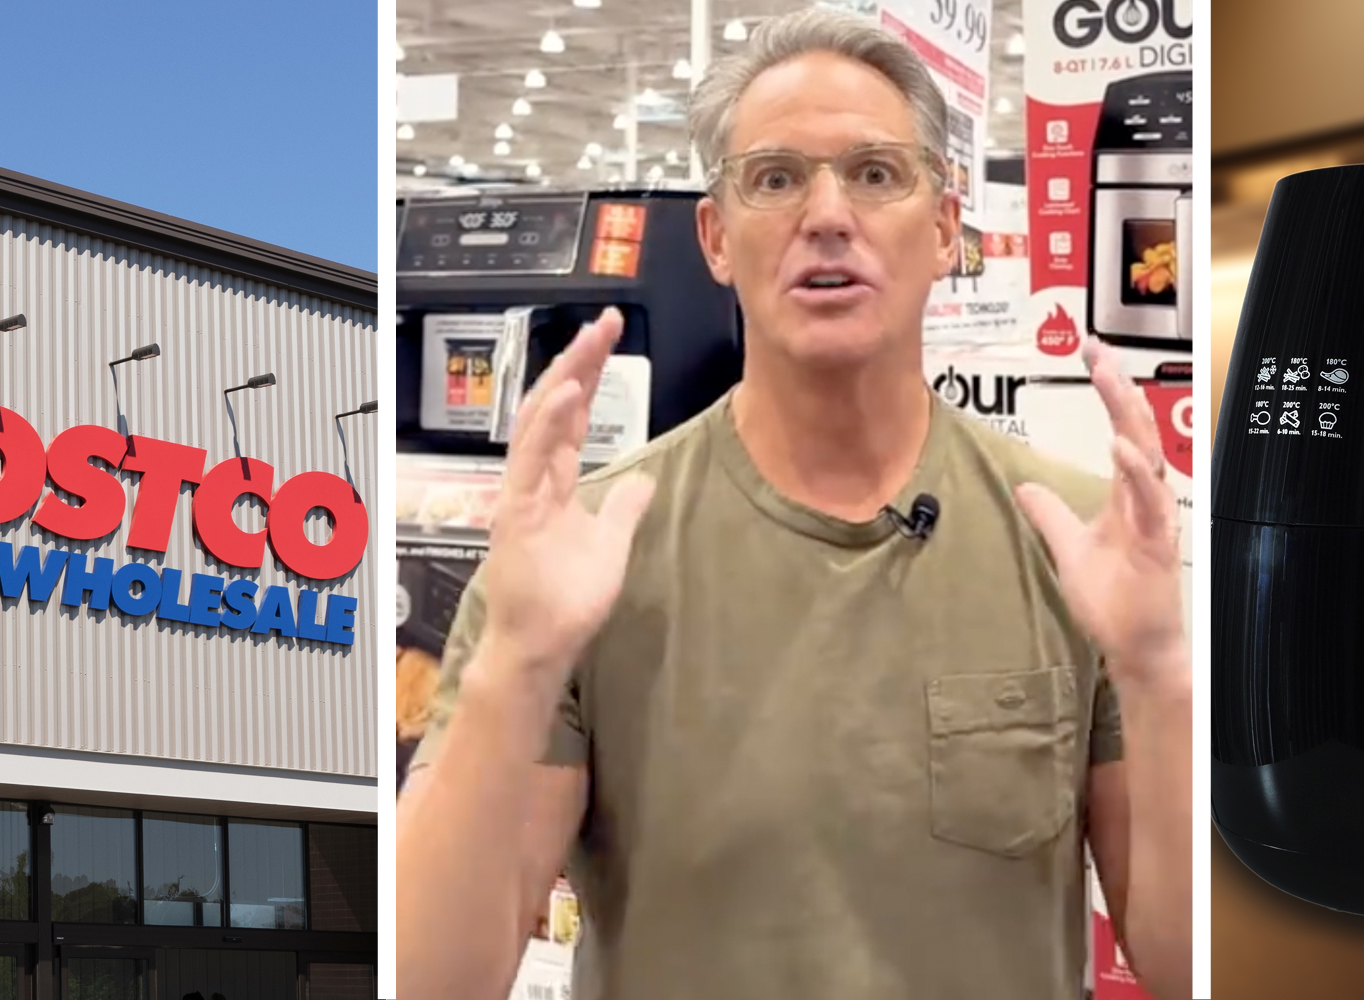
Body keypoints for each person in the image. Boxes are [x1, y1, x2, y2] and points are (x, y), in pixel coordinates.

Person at [396, 8, 1190, 999]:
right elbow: (431, 976)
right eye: (775, 177)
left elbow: (1183, 957)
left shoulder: (1073, 541)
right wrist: (516, 659)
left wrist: (1157, 671)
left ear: (945, 227)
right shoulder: (578, 557)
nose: (825, 214)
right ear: (717, 236)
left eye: (874, 173)